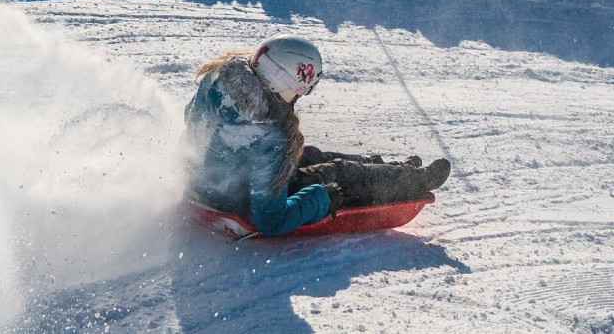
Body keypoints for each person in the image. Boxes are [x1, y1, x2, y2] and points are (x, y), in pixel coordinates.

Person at [184, 34, 451, 235]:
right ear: (280, 81)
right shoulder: (269, 136)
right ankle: (416, 180)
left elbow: (193, 119)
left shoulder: (219, 76)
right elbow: (271, 222)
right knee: (337, 175)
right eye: (297, 92)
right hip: (239, 201)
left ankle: (394, 169)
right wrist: (321, 198)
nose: (296, 100)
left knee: (309, 155)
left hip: (204, 185)